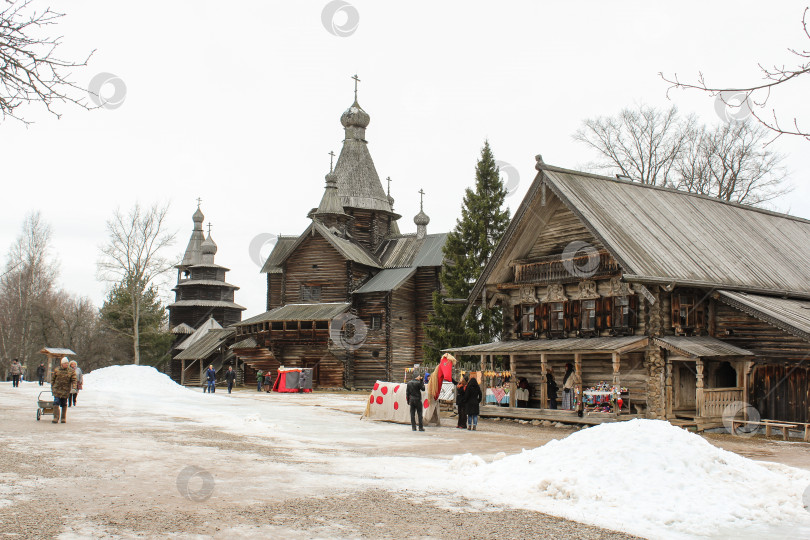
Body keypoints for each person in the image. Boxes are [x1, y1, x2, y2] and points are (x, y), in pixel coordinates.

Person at [51, 357, 76, 423]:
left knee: (64, 403)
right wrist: (52, 387)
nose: (66, 364)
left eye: (67, 363)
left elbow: (74, 380)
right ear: (62, 364)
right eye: (65, 363)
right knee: (56, 402)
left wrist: (74, 387)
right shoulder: (57, 370)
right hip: (57, 390)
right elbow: (53, 379)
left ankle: (63, 418)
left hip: (65, 390)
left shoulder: (71, 371)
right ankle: (55, 417)